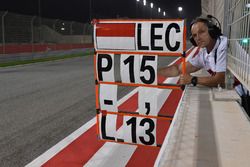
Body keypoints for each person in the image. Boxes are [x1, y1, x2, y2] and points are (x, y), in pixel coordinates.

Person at [158, 15, 228, 87]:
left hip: (239, 91)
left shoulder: (223, 45)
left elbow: (220, 80)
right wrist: (154, 72)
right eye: (194, 35)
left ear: (212, 31)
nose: (198, 38)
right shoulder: (204, 54)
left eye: (202, 32)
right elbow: (178, 69)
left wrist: (193, 79)